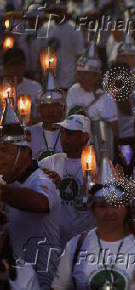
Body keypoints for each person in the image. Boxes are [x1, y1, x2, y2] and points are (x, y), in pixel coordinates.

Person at [51, 177, 135, 290]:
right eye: (102, 206)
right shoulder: (76, 245)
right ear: (93, 209)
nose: (109, 212)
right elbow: (58, 286)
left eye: (115, 205)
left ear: (126, 208)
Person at [0, 101, 61, 289]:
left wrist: (2, 192)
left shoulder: (43, 179)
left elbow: (41, 203)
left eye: (5, 152)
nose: (0, 158)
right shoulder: (9, 181)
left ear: (25, 152)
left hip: (44, 281)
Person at [38, 114, 97, 247]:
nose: (63, 139)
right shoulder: (49, 162)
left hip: (86, 244)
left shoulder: (98, 165)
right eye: (62, 133)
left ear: (84, 137)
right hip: (53, 243)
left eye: (69, 134)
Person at [2, 48, 42, 123]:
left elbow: (42, 117)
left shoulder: (35, 87)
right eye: (12, 64)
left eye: (20, 64)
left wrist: (31, 121)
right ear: (5, 67)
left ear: (25, 66)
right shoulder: (2, 89)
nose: (16, 68)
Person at [27, 88, 64, 161]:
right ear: (39, 109)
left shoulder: (71, 133)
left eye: (55, 105)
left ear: (63, 108)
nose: (50, 110)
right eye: (45, 106)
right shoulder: (29, 133)